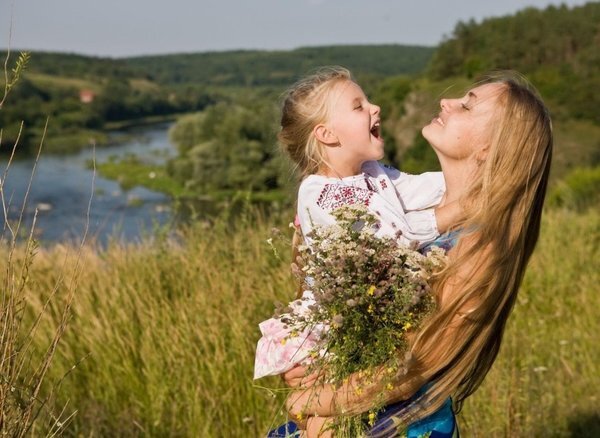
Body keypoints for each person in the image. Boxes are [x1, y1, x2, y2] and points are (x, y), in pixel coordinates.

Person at [281, 71, 553, 437]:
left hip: (397, 424)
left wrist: (312, 402)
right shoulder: (388, 200)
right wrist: (310, 357)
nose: (447, 102)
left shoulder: (479, 244)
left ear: (490, 146)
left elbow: (412, 368)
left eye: (467, 105)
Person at [254, 67, 461, 382]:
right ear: (327, 134)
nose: (374, 108)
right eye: (358, 106)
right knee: (327, 412)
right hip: (334, 330)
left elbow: (420, 188)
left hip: (370, 317)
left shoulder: (373, 172)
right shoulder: (319, 193)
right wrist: (460, 210)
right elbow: (392, 238)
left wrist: (473, 177)